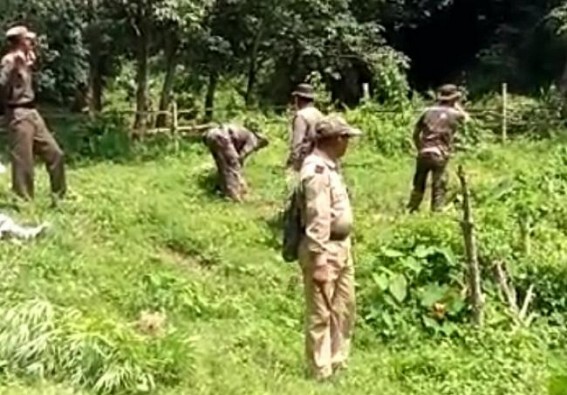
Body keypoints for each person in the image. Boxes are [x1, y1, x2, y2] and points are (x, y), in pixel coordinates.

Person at [298, 114, 361, 381]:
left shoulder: (331, 166)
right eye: (346, 138)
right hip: (323, 250)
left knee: (344, 306)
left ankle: (338, 361)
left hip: (340, 246)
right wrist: (319, 261)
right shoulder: (316, 171)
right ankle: (320, 370)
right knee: (321, 311)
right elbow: (317, 217)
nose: (348, 143)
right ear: (336, 139)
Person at [0, 26, 67, 202]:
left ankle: (60, 195)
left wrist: (28, 66)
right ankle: (23, 201)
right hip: (18, 112)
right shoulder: (9, 61)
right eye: (28, 39)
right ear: (20, 41)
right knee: (24, 162)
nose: (32, 42)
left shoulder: (25, 59)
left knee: (55, 153)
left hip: (32, 111)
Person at [407, 84, 470, 213]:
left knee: (418, 184)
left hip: (424, 152)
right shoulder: (455, 114)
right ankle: (436, 212)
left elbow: (415, 133)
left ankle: (412, 209)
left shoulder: (427, 111)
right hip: (440, 153)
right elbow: (467, 119)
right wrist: (457, 105)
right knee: (439, 185)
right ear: (453, 99)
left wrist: (420, 147)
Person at [203, 120, 269, 202]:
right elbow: (241, 156)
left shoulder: (245, 132)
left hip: (211, 135)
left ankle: (221, 188)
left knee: (222, 166)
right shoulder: (253, 139)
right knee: (233, 166)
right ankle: (235, 196)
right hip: (223, 137)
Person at [286, 83, 324, 172]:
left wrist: (292, 163)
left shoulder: (301, 116)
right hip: (320, 157)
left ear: (298, 99)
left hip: (305, 160)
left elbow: (297, 143)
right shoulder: (319, 114)